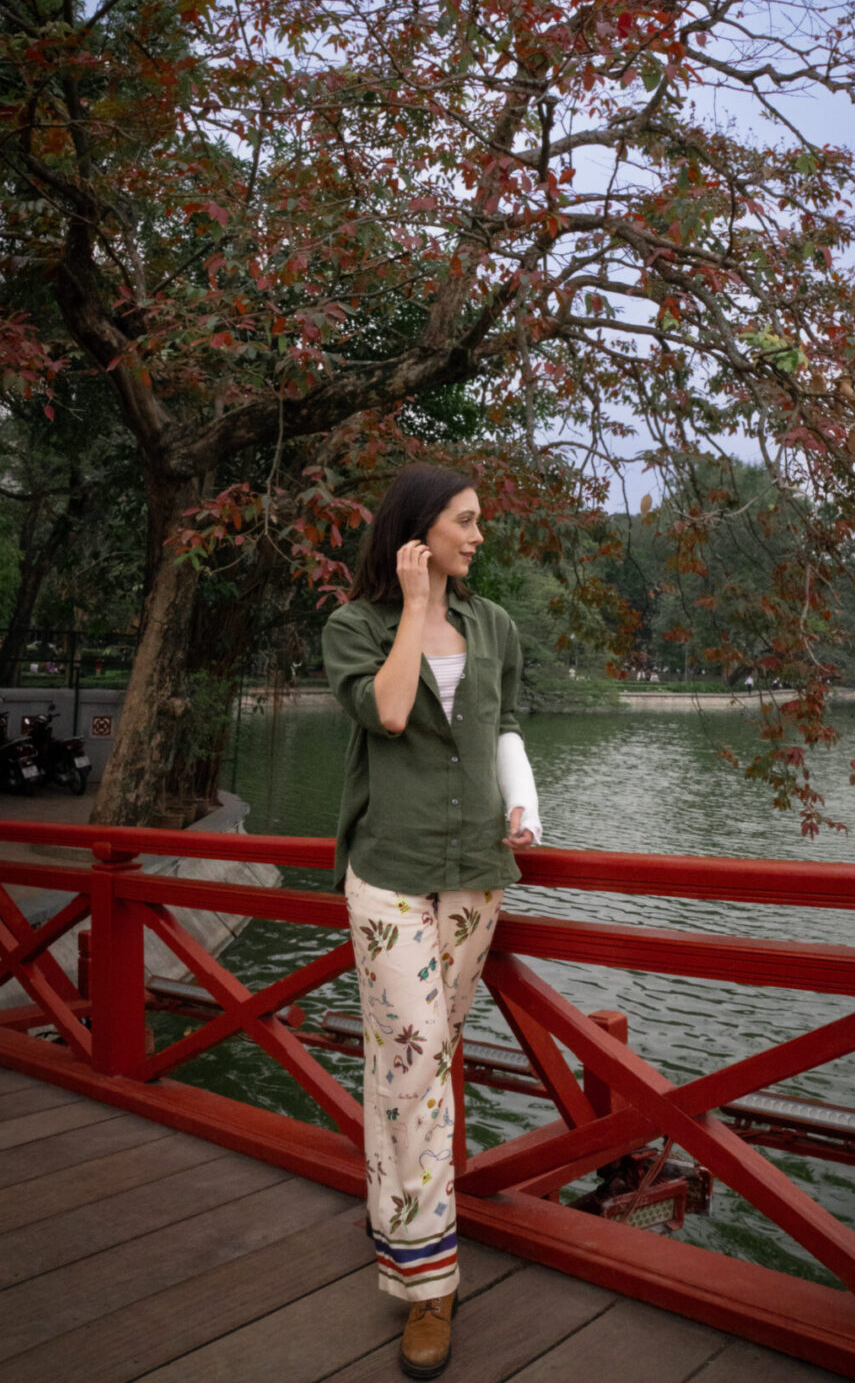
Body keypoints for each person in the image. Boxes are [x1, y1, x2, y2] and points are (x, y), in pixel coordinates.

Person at [322, 463, 541, 1380]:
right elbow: (392, 708)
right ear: (419, 532)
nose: (479, 535)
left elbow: (504, 727)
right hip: (393, 872)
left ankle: (397, 1220)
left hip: (476, 875)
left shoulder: (495, 625)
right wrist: (413, 606)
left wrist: (527, 808)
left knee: (418, 1065)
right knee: (413, 1052)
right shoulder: (354, 626)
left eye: (479, 521)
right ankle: (428, 1286)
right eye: (465, 520)